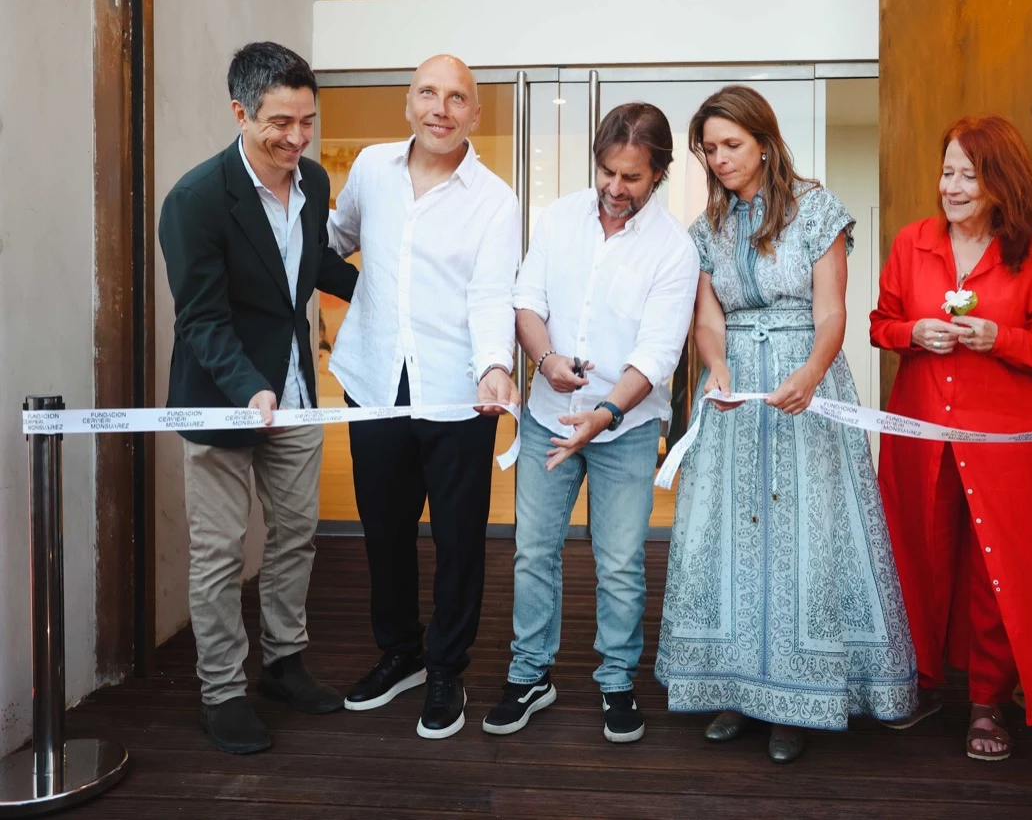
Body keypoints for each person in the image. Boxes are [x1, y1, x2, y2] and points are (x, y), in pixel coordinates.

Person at [655, 85, 918, 764]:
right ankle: (734, 690)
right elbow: (707, 318)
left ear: (765, 142)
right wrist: (715, 367)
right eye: (709, 149)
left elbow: (832, 312)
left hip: (805, 384)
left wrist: (808, 371)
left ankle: (797, 698)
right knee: (729, 537)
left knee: (805, 538)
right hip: (735, 389)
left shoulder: (818, 209)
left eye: (731, 145)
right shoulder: (707, 228)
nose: (719, 159)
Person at [158, 41, 359, 754]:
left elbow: (313, 267)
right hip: (222, 399)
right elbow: (202, 318)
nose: (297, 138)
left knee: (295, 536)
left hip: (299, 395)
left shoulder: (311, 182)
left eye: (307, 121)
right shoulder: (195, 200)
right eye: (281, 122)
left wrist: (388, 302)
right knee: (218, 554)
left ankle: (283, 661)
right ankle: (222, 692)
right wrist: (251, 388)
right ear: (240, 111)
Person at [481, 103, 698, 744]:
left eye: (631, 177)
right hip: (549, 418)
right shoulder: (558, 219)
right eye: (607, 171)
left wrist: (602, 416)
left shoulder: (674, 249)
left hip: (624, 432)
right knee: (533, 555)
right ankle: (529, 675)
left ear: (658, 173)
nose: (614, 188)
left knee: (622, 562)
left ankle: (616, 682)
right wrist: (544, 361)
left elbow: (657, 357)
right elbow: (527, 301)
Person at [325, 55, 521, 740]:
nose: (441, 107)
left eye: (457, 97)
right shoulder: (372, 170)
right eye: (428, 94)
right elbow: (335, 241)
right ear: (408, 102)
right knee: (383, 529)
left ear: (475, 113)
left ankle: (446, 667)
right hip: (374, 379)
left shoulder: (495, 199)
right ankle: (400, 652)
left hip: (458, 390)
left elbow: (493, 293)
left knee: (459, 538)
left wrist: (496, 365)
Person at [869, 115, 1032, 760]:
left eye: (967, 174)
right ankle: (924, 680)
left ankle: (988, 704)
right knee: (918, 557)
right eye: (946, 171)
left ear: (999, 184)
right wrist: (912, 334)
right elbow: (880, 323)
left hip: (1002, 442)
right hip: (921, 434)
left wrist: (1000, 339)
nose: (950, 187)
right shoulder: (912, 242)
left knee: (997, 573)